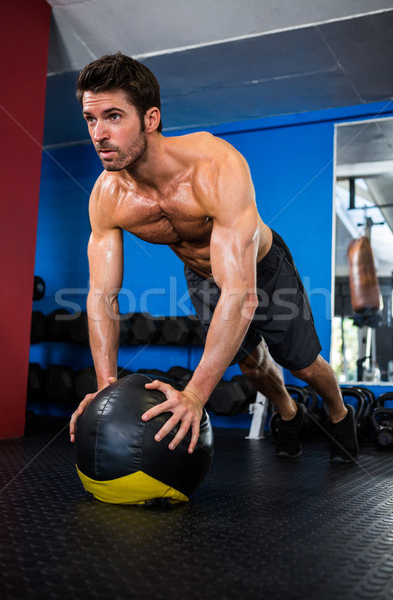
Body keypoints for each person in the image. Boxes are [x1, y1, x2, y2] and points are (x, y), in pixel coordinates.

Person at [69, 52, 358, 463]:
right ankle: (290, 412)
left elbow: (242, 294)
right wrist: (106, 388)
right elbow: (102, 297)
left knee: (304, 366)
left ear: (151, 119)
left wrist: (194, 395)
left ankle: (338, 414)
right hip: (202, 277)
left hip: (261, 268)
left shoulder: (214, 166)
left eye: (113, 116)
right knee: (253, 368)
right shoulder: (107, 197)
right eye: (91, 119)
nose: (99, 133)